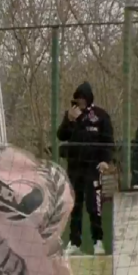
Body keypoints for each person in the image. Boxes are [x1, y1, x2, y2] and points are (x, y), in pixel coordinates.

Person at [57, 82, 113, 255]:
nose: (79, 102)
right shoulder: (71, 116)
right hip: (74, 168)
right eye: (77, 99)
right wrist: (69, 120)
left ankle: (98, 241)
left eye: (82, 99)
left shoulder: (100, 116)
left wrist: (105, 160)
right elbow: (61, 135)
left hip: (92, 167)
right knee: (74, 205)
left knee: (93, 205)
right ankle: (74, 242)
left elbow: (108, 141)